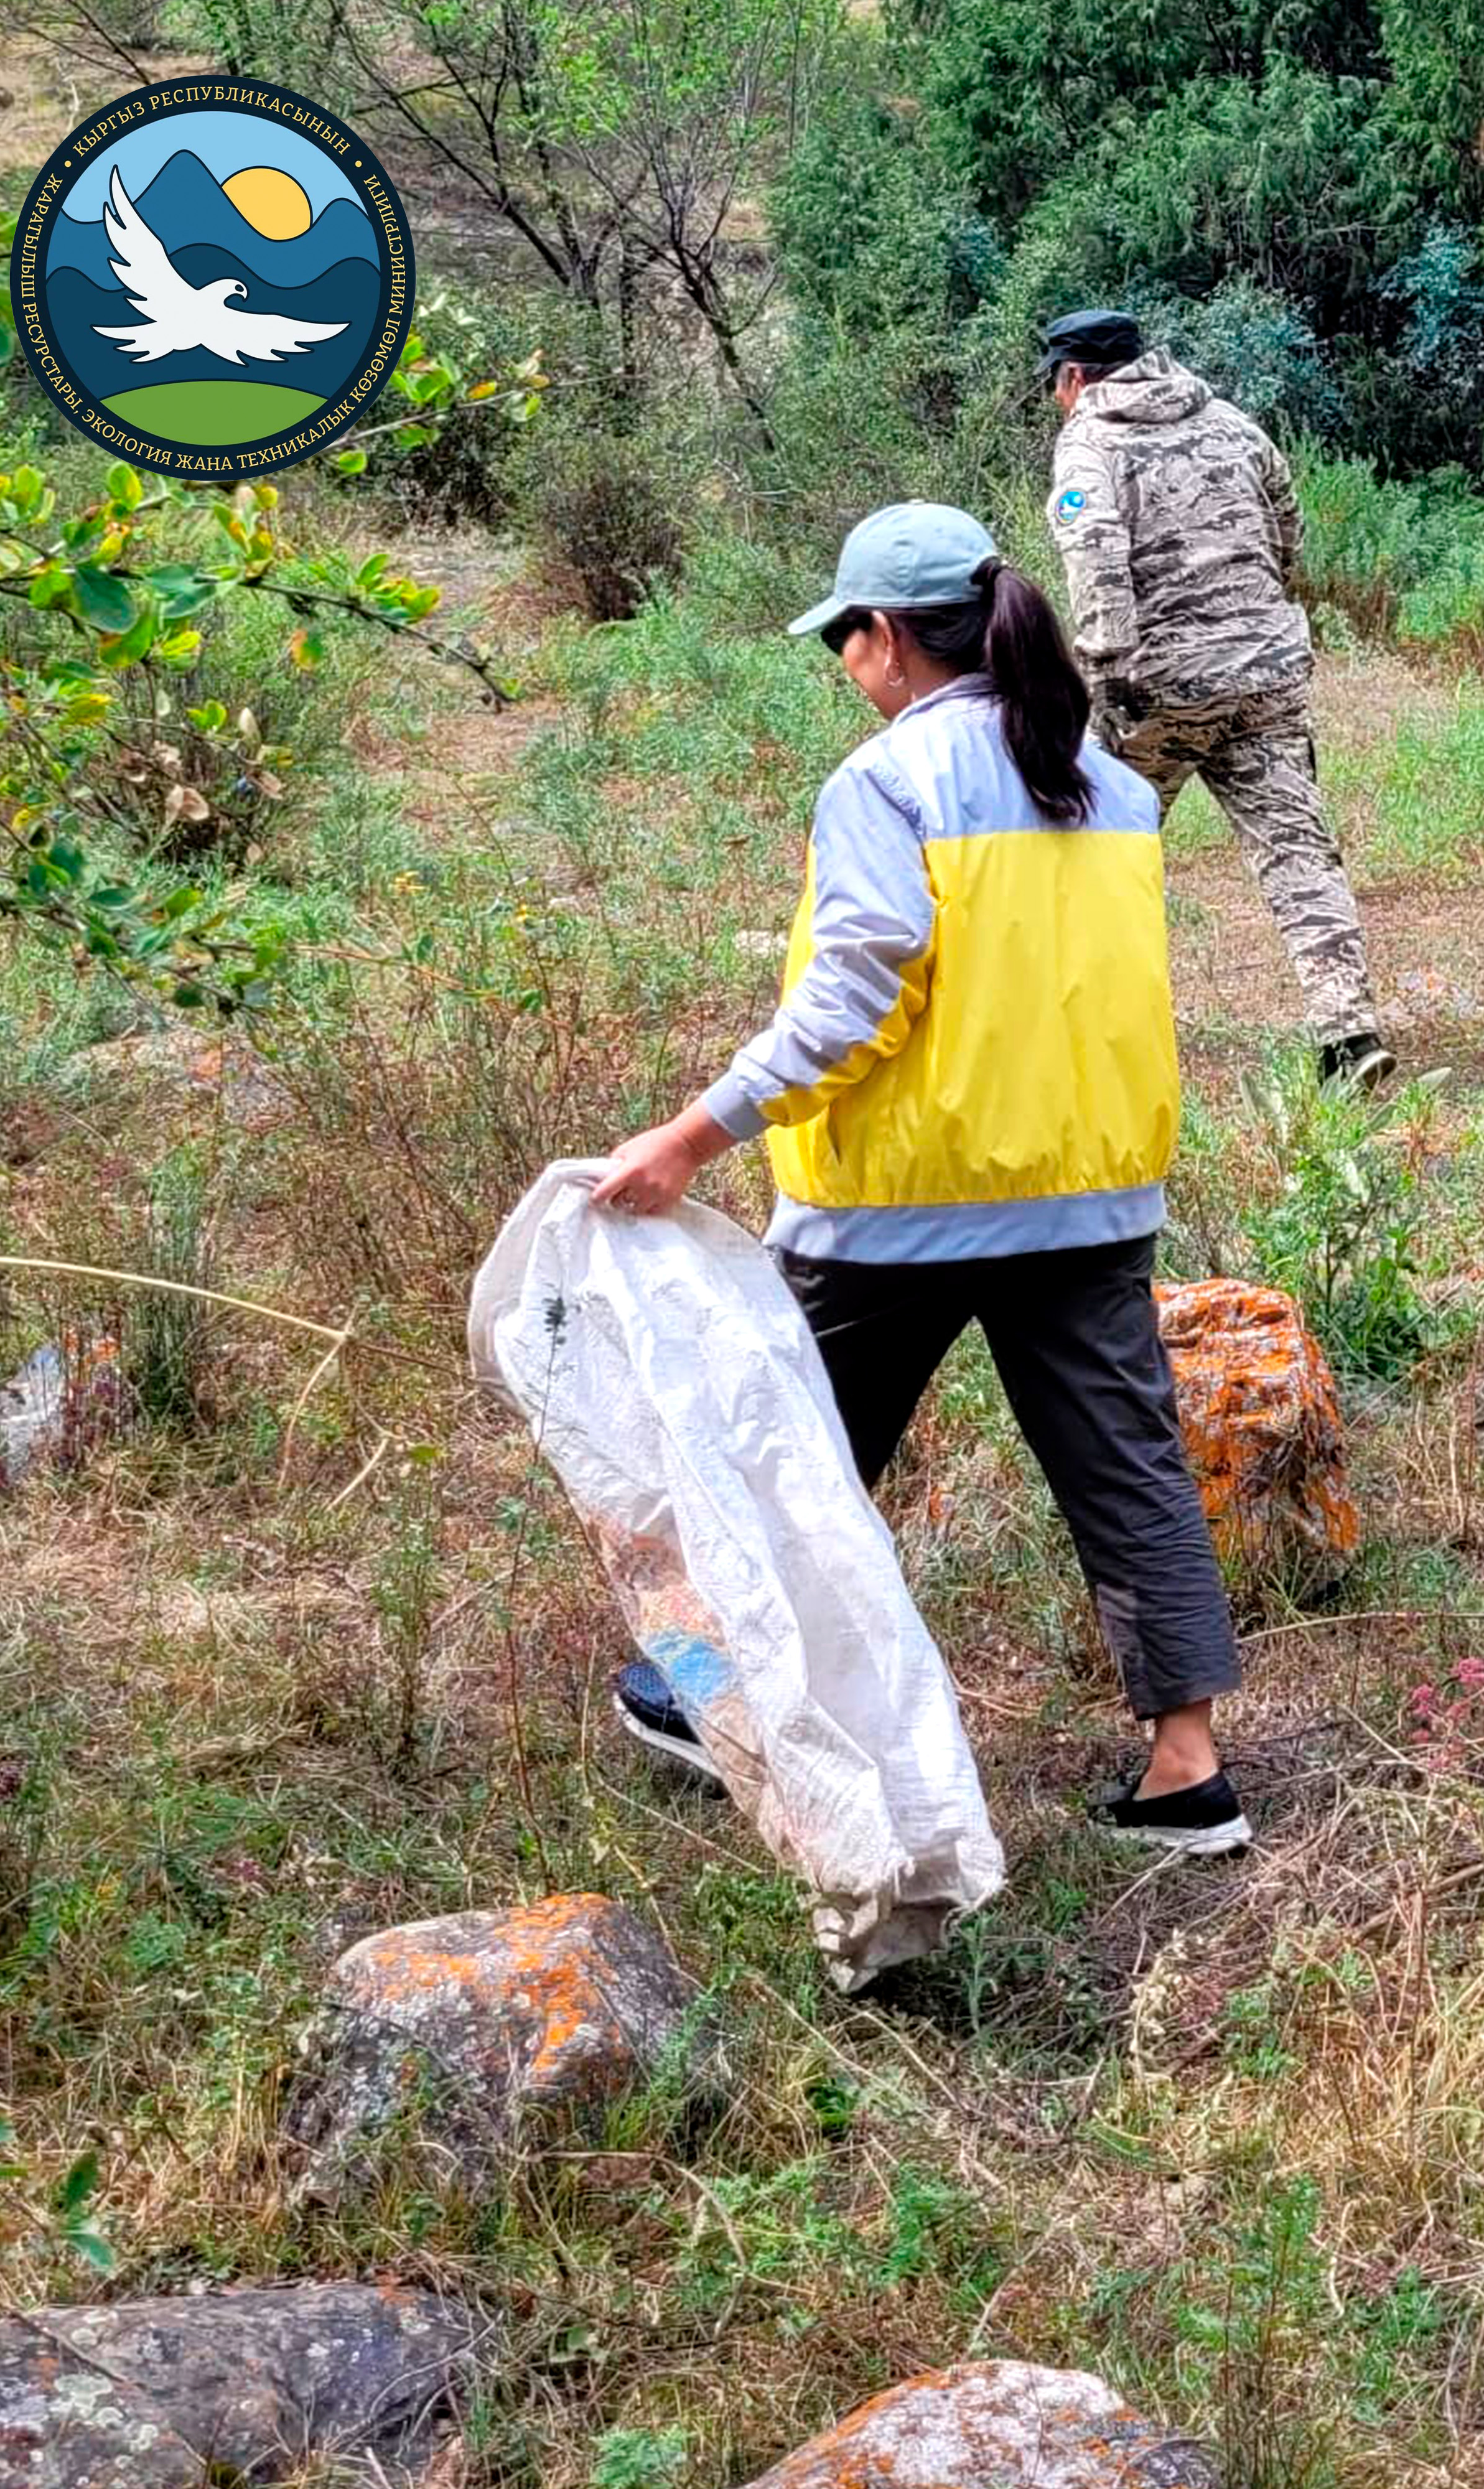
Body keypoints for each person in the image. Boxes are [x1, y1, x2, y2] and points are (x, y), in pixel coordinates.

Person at [591, 502, 1254, 1854]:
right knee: (1126, 1468)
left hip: (898, 1208)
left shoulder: (887, 782)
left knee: (779, 1454)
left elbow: (856, 994)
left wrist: (690, 1134)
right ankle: (1189, 1772)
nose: (846, 662)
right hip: (1089, 1196)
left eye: (846, 637)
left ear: (886, 637)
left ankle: (694, 1691)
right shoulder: (1110, 787)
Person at [1039, 308, 1391, 1091]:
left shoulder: (1090, 442)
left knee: (1097, 854)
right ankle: (1347, 1032)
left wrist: (1105, 671)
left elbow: (1094, 555)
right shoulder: (1231, 421)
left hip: (1155, 688)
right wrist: (1259, 619)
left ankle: (1080, 1028)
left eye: (1055, 387)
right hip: (1266, 675)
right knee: (1299, 850)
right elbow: (1287, 526)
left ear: (1073, 378)